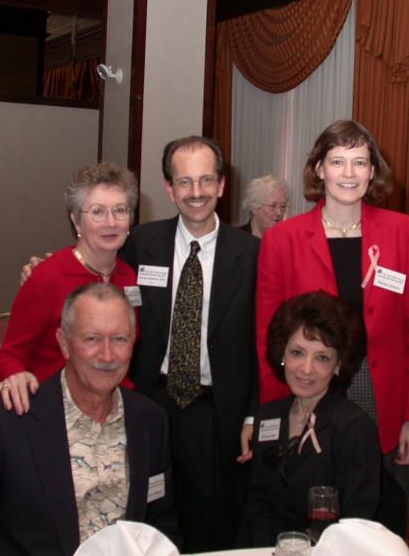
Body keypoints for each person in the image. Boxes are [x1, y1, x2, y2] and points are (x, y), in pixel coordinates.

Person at [0, 283, 180, 555]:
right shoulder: (7, 420)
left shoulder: (150, 421)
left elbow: (160, 523)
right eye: (91, 339)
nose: (107, 355)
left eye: (119, 338)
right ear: (64, 343)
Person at [254, 120, 409, 502]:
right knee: (308, 502)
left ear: (372, 171)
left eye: (360, 162)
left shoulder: (402, 231)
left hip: (379, 393)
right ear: (319, 169)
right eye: (337, 162)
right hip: (306, 388)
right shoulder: (282, 239)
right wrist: (272, 414)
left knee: (379, 509)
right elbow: (268, 338)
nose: (349, 174)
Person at [121, 136, 259, 551]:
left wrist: (253, 416)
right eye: (184, 182)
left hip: (217, 413)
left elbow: (263, 342)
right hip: (150, 404)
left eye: (205, 181)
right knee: (147, 519)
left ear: (221, 185)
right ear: (169, 188)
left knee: (211, 527)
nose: (195, 193)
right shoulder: (140, 243)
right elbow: (95, 276)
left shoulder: (252, 254)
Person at [242, 291, 406, 546]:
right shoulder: (268, 418)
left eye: (322, 357)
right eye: (297, 352)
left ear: (338, 365)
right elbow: (259, 507)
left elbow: (356, 524)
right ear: (282, 355)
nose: (306, 369)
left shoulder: (354, 427)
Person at [0, 162, 138, 413]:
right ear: (76, 221)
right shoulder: (47, 276)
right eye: (97, 212)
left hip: (115, 412)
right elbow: (7, 355)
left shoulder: (130, 277)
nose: (111, 222)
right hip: (55, 413)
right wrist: (15, 377)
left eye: (120, 210)